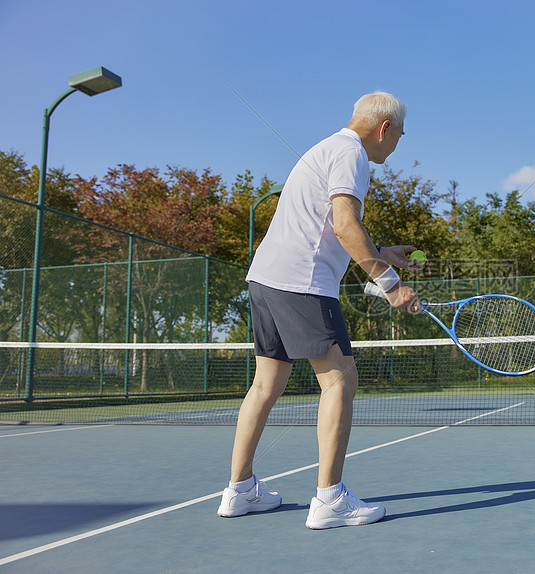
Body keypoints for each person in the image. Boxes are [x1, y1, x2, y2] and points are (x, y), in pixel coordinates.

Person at [217, 92, 423, 529]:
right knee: (340, 380)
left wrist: (381, 251)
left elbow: (328, 228)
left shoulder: (325, 148)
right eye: (400, 135)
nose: (398, 143)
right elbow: (345, 226)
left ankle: (240, 490)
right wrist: (391, 284)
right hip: (302, 284)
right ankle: (330, 499)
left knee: (266, 384)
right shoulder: (353, 156)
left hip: (265, 279)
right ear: (384, 128)